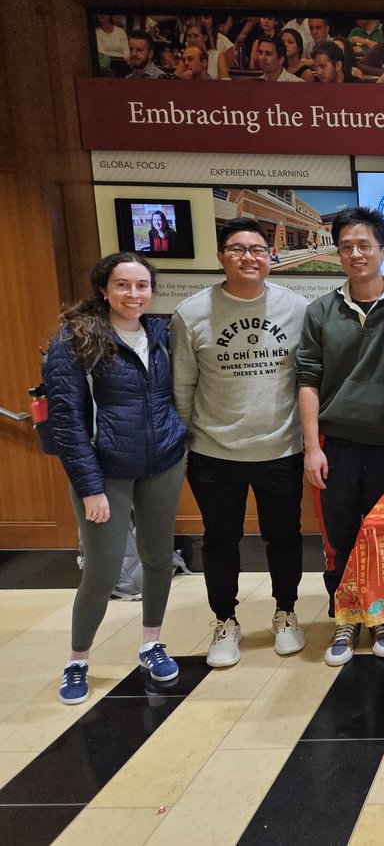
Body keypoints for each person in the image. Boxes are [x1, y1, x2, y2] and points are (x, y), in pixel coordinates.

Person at [44, 253, 188, 704]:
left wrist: (176, 440)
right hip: (105, 471)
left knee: (159, 558)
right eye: (123, 285)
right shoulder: (75, 341)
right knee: (103, 571)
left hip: (162, 461)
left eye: (142, 286)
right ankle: (77, 660)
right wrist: (89, 487)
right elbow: (66, 421)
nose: (133, 295)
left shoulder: (160, 334)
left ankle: (151, 643)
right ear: (104, 289)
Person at [171, 217, 310, 668]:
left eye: (257, 249)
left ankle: (286, 613)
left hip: (281, 448)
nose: (248, 257)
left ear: (270, 256)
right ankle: (225, 621)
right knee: (220, 540)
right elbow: (182, 389)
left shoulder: (297, 308)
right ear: (221, 256)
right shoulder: (191, 314)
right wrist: (194, 442)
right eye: (237, 249)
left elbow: (307, 378)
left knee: (285, 536)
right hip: (214, 453)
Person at [295, 207, 384, 666]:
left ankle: (383, 616)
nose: (356, 254)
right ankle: (345, 616)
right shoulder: (321, 311)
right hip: (335, 444)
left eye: (365, 246)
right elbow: (308, 379)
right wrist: (312, 446)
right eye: (347, 247)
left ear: (383, 250)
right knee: (340, 536)